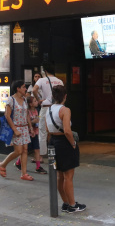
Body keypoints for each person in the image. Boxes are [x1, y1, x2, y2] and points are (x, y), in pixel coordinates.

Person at [45, 85, 86, 213]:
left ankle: (65, 203)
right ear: (65, 96)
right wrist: (73, 144)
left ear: (53, 96)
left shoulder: (48, 110)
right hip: (64, 143)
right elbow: (67, 131)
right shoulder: (65, 110)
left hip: (53, 143)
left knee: (59, 175)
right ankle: (73, 205)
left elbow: (47, 130)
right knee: (68, 175)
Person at [0, 80, 35, 181]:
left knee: (25, 150)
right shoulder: (11, 100)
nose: (25, 89)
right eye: (23, 87)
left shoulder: (24, 99)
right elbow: (7, 115)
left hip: (24, 128)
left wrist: (30, 127)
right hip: (16, 128)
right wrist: (15, 130)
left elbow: (27, 114)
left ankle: (24, 173)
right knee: (18, 151)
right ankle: (2, 164)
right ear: (18, 88)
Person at [33, 62, 63, 163]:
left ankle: (41, 156)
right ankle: (57, 152)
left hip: (45, 107)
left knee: (42, 131)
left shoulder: (42, 80)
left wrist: (39, 99)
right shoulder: (59, 81)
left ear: (45, 71)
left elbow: (34, 90)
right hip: (57, 108)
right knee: (57, 129)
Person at [14, 96, 47, 174]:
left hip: (35, 132)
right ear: (30, 104)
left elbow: (37, 119)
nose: (37, 102)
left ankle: (38, 166)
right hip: (27, 133)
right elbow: (26, 121)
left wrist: (36, 121)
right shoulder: (27, 111)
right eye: (35, 101)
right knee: (25, 150)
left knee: (37, 149)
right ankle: (18, 162)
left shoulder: (36, 110)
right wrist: (33, 122)